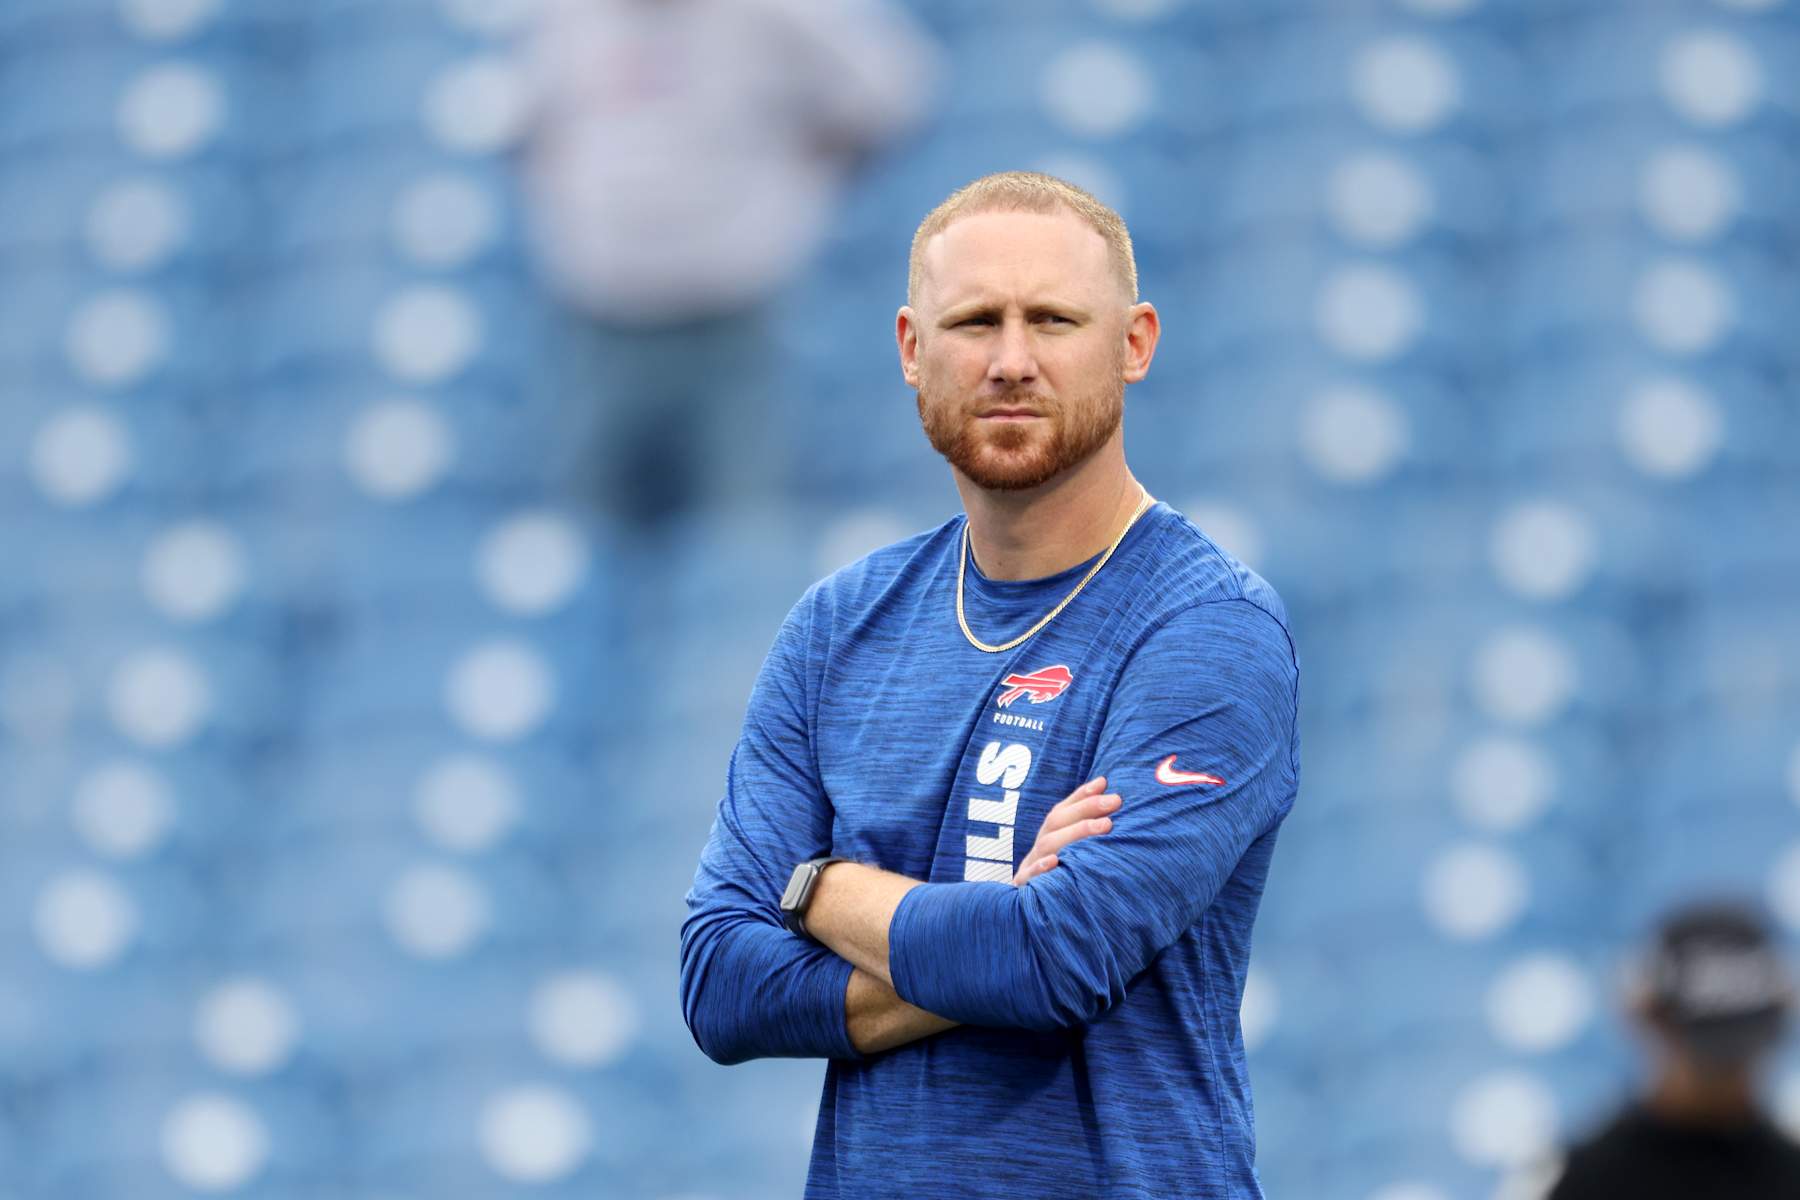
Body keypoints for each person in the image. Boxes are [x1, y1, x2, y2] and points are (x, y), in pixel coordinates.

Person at [679, 171, 1301, 1198]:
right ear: (913, 351)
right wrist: (993, 923)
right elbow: (720, 983)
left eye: (1053, 319)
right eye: (975, 322)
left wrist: (815, 888)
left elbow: (1055, 960)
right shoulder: (842, 626)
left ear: (1135, 342)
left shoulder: (1206, 629)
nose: (1012, 361)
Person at [512, 0, 939, 526]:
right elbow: (520, 123)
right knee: (586, 523)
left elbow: (886, 93)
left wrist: (803, 189)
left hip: (739, 315)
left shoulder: (781, 14)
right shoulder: (561, 17)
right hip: (595, 316)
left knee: (744, 527)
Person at [1545, 898, 1800, 1199]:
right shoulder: (1578, 1178)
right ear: (1646, 1019)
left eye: (1736, 1049)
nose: (1724, 1073)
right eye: (1705, 1050)